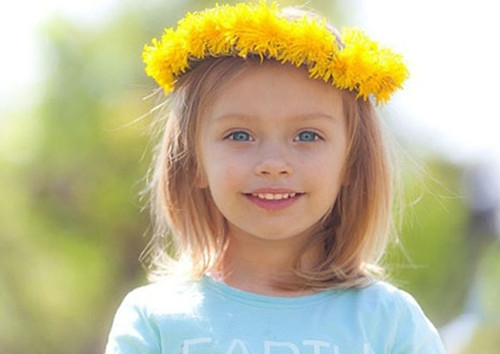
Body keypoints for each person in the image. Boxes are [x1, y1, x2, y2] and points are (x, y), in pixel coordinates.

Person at [105, 2, 445, 353]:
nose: (273, 164)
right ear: (193, 162)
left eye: (307, 136)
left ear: (352, 162)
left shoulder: (389, 323)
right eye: (239, 135)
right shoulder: (154, 320)